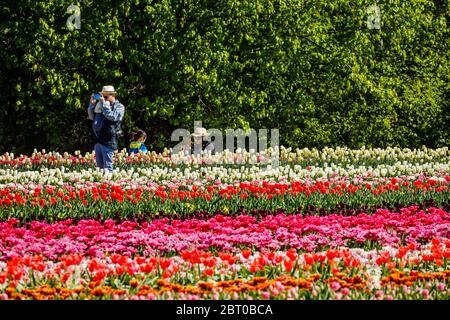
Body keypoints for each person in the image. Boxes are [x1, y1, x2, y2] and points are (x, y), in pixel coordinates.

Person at [87, 85, 125, 171]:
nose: (103, 98)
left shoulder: (119, 107)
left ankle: (109, 184)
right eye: (102, 96)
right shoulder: (101, 106)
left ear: (113, 95)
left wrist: (104, 105)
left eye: (106, 96)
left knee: (108, 168)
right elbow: (91, 117)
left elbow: (113, 117)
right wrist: (92, 105)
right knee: (99, 168)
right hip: (98, 139)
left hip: (109, 141)